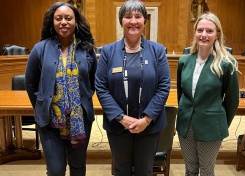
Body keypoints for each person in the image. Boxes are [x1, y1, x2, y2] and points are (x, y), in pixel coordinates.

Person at [95, 0, 170, 175]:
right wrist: (121, 118)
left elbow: (164, 86)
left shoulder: (158, 51)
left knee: (145, 170)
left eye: (138, 16)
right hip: (118, 126)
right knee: (121, 170)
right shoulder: (108, 52)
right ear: (121, 21)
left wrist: (147, 119)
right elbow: (101, 87)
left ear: (145, 21)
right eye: (128, 17)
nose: (133, 21)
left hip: (149, 126)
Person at [25, 2, 97, 176]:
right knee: (56, 170)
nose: (63, 22)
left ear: (76, 22)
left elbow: (93, 81)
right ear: (52, 22)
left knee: (78, 167)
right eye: (58, 18)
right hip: (50, 121)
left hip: (80, 119)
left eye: (68, 18)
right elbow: (30, 83)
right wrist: (43, 105)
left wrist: (82, 100)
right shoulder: (40, 49)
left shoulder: (86, 49)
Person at [176, 12, 239, 176]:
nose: (204, 35)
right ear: (195, 32)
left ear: (217, 34)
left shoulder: (226, 64)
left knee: (206, 170)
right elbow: (181, 95)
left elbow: (232, 101)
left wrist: (220, 126)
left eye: (209, 31)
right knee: (190, 170)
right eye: (200, 30)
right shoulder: (184, 61)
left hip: (211, 127)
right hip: (186, 125)